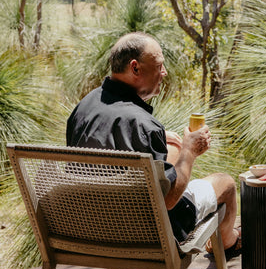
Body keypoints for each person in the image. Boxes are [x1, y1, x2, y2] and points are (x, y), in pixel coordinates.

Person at [66, 32, 241, 253]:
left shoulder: (82, 109)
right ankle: (229, 242)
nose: (164, 73)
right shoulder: (143, 125)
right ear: (135, 68)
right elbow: (168, 201)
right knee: (225, 183)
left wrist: (166, 141)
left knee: (173, 145)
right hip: (147, 234)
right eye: (159, 66)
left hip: (91, 228)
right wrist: (189, 151)